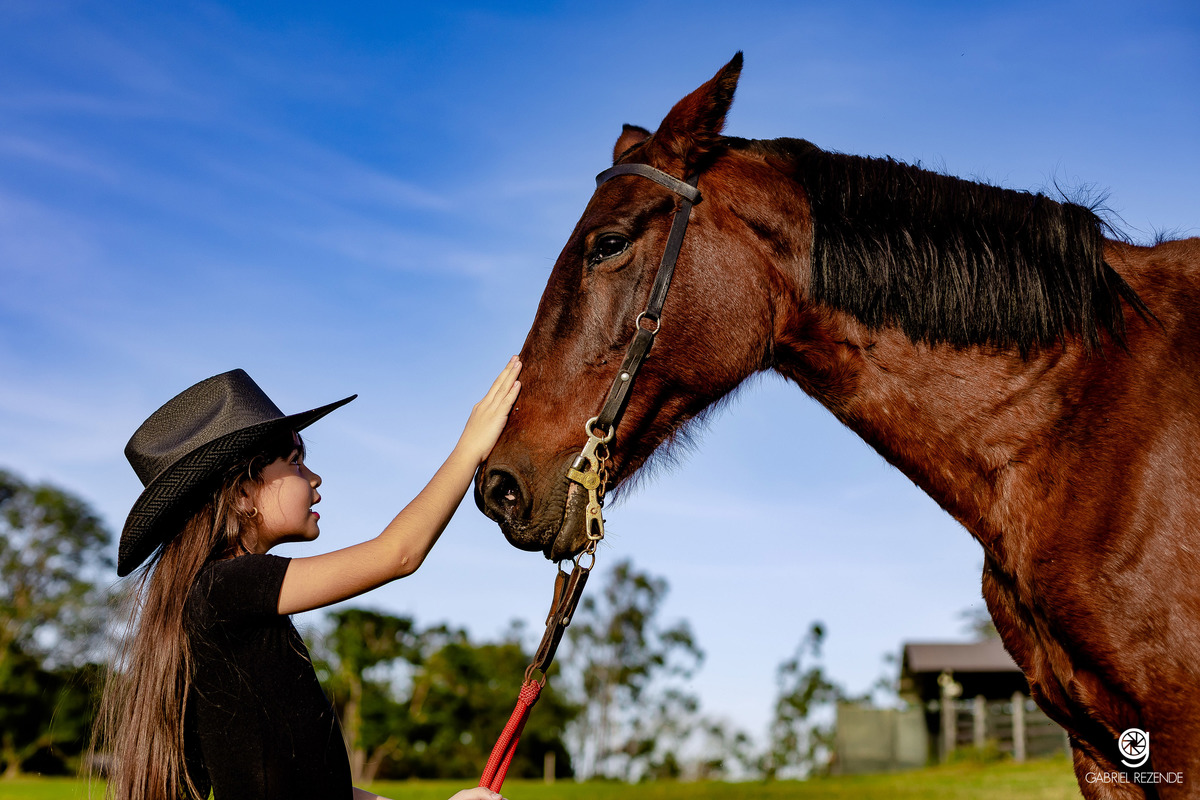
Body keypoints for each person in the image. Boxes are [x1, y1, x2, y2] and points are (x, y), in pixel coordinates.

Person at [93, 358, 522, 800]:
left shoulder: (225, 601)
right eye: (296, 462)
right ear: (242, 493)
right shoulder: (226, 587)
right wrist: (470, 449)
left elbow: (320, 789)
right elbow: (399, 554)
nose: (315, 478)